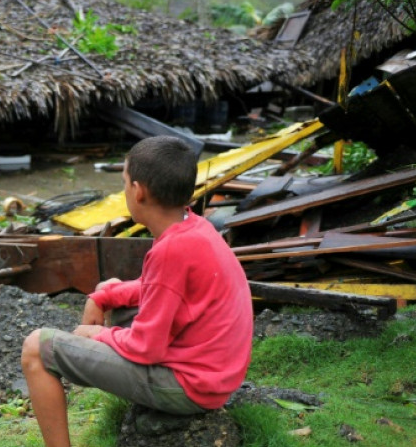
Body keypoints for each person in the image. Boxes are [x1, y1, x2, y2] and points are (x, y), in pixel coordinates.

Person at [21, 135, 252, 447]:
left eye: (124, 181)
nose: (124, 189)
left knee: (36, 347)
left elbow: (147, 348)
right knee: (111, 291)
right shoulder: (193, 226)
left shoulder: (172, 249)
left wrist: (96, 336)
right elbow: (161, 290)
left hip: (191, 387)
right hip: (213, 374)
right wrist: (104, 296)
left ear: (138, 191)